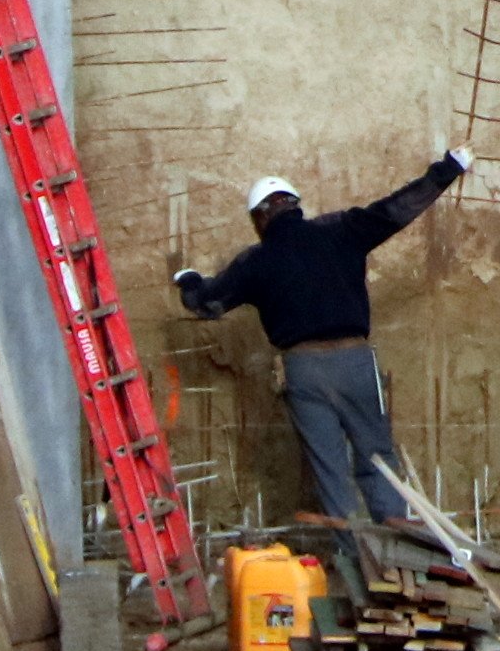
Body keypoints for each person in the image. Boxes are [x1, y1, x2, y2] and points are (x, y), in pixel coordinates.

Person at [176, 154, 470, 523]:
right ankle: (394, 545)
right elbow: (396, 210)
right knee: (377, 457)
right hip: (356, 363)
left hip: (303, 371)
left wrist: (187, 279)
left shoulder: (255, 260)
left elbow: (206, 303)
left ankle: (352, 549)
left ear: (260, 218)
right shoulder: (341, 230)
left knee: (330, 471)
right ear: (295, 206)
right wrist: (448, 170)